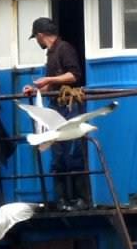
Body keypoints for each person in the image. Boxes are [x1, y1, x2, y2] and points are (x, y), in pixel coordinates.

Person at [22, 17, 90, 210]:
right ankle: (63, 200)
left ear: (40, 35)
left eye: (36, 37)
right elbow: (53, 85)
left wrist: (48, 79)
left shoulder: (64, 49)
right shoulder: (52, 53)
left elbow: (74, 75)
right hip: (56, 107)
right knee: (59, 153)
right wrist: (36, 91)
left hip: (69, 106)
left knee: (73, 151)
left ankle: (80, 199)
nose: (36, 41)